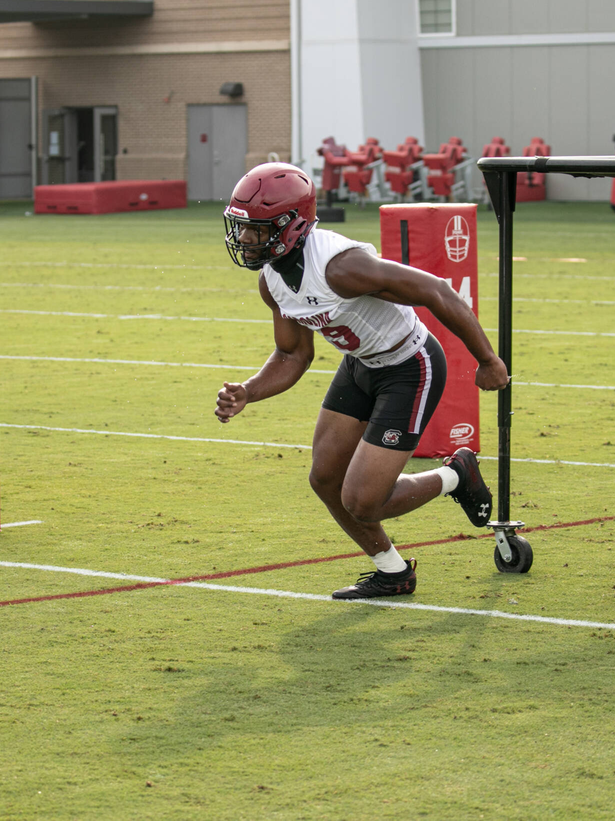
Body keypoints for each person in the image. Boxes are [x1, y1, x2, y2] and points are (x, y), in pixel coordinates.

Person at [214, 162, 509, 599]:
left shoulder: (341, 267)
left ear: (291, 226)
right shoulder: (272, 280)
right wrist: (249, 391)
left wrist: (486, 359)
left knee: (364, 500)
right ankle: (392, 571)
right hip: (360, 364)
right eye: (242, 229)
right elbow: (293, 353)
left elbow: (437, 291)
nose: (245, 240)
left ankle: (455, 475)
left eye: (257, 230)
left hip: (410, 365)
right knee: (325, 479)